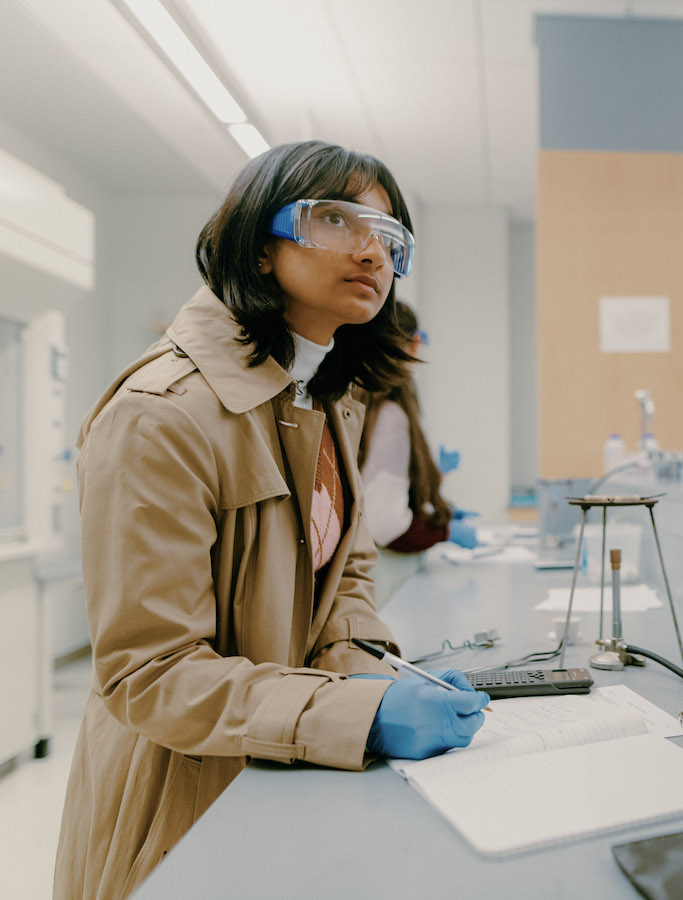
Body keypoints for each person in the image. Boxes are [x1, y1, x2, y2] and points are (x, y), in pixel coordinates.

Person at [53, 141, 489, 900]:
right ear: (259, 246)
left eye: (390, 238)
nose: (371, 250)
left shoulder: (325, 399)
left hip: (284, 765)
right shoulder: (161, 416)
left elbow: (345, 574)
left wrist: (375, 672)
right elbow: (150, 676)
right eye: (337, 219)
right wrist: (361, 715)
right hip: (178, 802)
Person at [358, 302, 478, 604]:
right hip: (386, 584)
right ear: (412, 342)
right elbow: (386, 526)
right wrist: (443, 531)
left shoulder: (369, 405)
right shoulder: (389, 416)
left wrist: (434, 510)